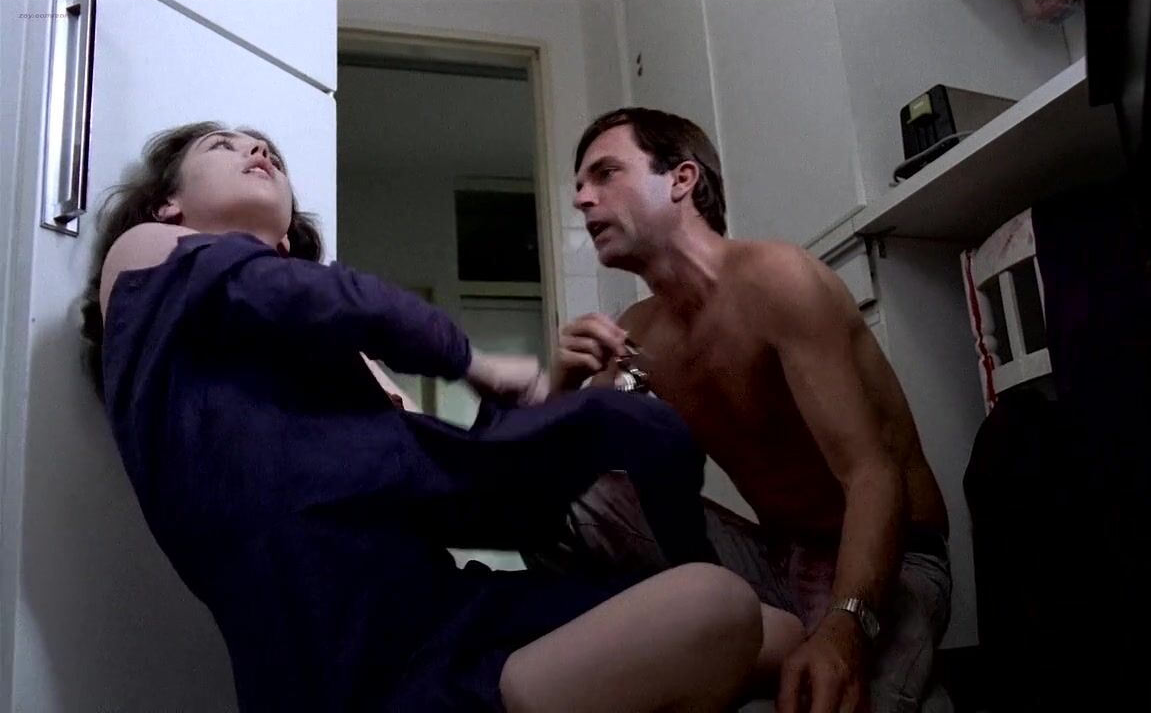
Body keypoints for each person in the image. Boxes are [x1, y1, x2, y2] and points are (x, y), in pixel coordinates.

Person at [80, 121, 807, 712]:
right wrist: (469, 359)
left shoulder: (343, 360)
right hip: (356, 667)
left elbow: (454, 492)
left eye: (264, 146)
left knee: (775, 631)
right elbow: (311, 298)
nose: (256, 150)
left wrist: (555, 406)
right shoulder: (145, 257)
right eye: (224, 146)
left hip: (447, 612)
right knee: (712, 606)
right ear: (167, 206)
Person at [546, 107, 954, 713]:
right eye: (579, 184)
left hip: (890, 560)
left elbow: (873, 473)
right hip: (774, 555)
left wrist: (844, 630)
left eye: (605, 174)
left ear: (681, 179)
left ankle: (884, 665)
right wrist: (559, 384)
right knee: (571, 496)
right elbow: (551, 467)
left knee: (826, 694)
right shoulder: (641, 335)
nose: (582, 198)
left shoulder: (779, 280)